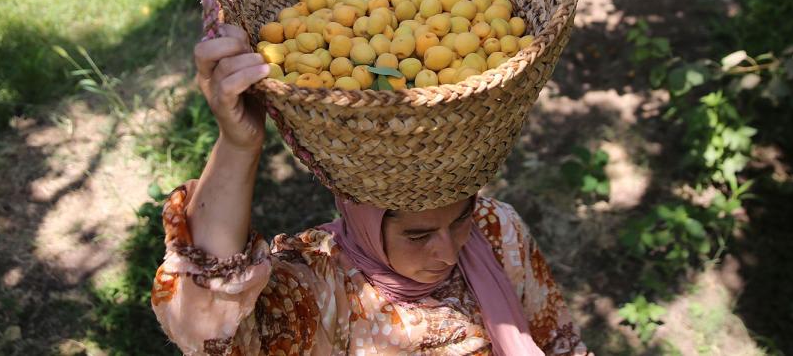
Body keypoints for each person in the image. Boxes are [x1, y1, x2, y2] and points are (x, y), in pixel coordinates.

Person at [150, 23, 591, 355]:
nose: (449, 252)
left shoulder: (498, 230)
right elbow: (203, 324)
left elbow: (556, 340)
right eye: (417, 235)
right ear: (367, 219)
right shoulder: (325, 287)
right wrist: (238, 145)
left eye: (460, 220)